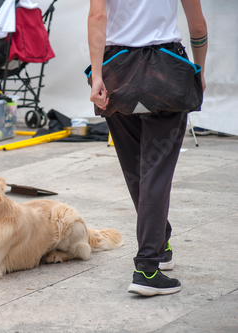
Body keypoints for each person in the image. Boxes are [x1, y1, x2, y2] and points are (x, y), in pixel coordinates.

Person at [87, 0, 207, 296]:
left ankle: (159, 243)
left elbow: (97, 15)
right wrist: (199, 70)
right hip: (166, 69)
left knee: (135, 169)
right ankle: (147, 268)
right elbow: (198, 26)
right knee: (156, 170)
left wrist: (98, 75)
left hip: (117, 69)